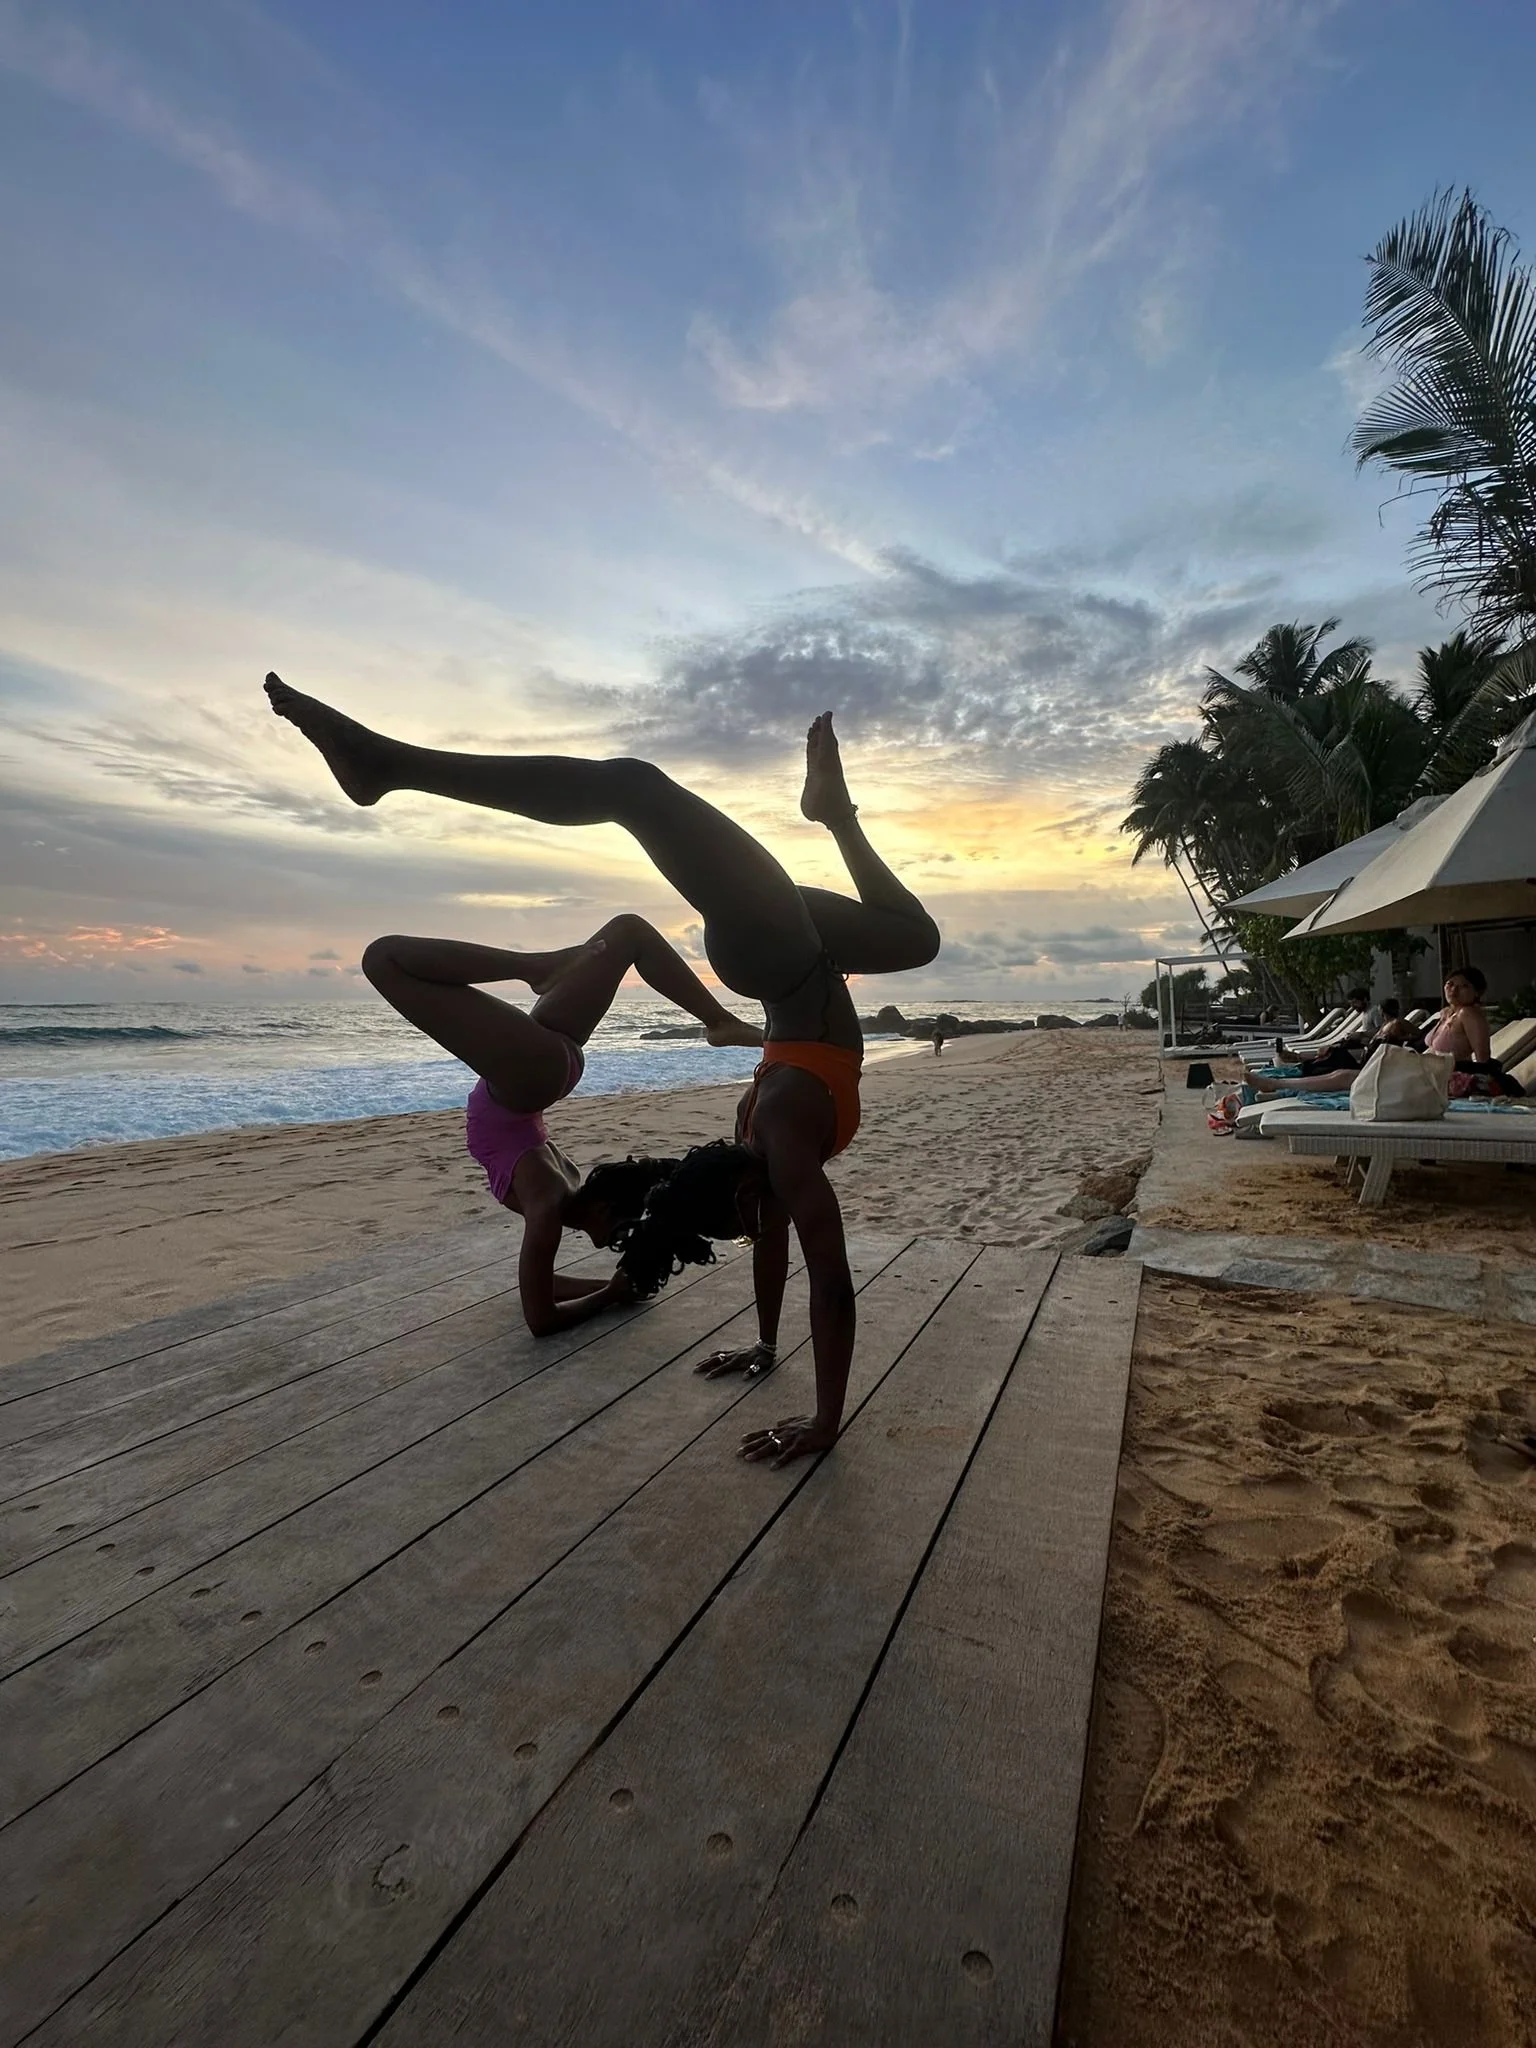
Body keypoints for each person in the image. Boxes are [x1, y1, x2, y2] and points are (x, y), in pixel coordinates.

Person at [265, 676, 941, 1467]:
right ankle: (829, 820)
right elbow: (818, 1271)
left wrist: (774, 1358)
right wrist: (813, 1409)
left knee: (640, 793)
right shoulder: (778, 1143)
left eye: (751, 1218)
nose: (760, 1227)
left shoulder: (774, 1139)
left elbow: (795, 1257)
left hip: (787, 956)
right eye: (756, 1220)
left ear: (744, 1189)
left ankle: (392, 767)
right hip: (792, 957)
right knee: (654, 804)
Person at [356, 920, 762, 1339]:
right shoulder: (549, 1203)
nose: (611, 1245)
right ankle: (712, 1019)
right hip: (531, 1077)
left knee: (629, 935)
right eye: (622, 1231)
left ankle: (713, 1018)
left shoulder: (556, 1197)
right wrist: (610, 1294)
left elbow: (539, 1295)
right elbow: (542, 1317)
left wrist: (614, 1290)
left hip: (545, 1070)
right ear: (603, 1208)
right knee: (383, 959)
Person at [1424, 966, 1492, 1063]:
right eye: (1450, 984)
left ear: (1477, 992)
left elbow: (1483, 1058)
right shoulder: (1447, 1013)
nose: (1454, 990)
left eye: (1464, 986)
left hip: (1452, 1075)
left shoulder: (1468, 1014)